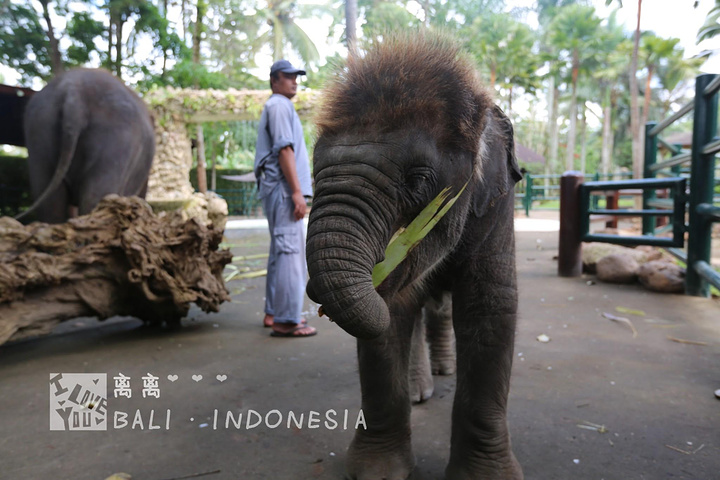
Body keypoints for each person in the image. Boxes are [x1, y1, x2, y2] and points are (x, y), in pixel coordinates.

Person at [254, 59, 316, 338]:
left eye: (296, 76)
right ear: (274, 79)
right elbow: (284, 150)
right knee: (291, 252)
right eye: (288, 76)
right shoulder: (279, 104)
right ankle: (287, 321)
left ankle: (273, 313)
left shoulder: (277, 105)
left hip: (276, 189)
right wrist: (295, 191)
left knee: (281, 251)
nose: (294, 81)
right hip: (282, 189)